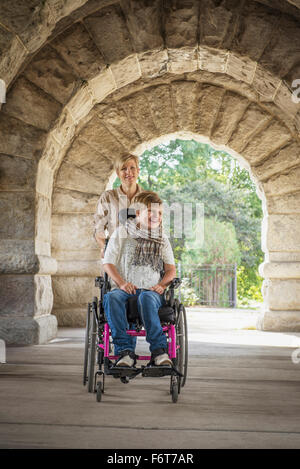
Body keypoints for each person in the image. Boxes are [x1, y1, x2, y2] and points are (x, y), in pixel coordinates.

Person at [102, 191, 176, 368]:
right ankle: (125, 352)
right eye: (151, 211)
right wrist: (121, 283)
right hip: (124, 289)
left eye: (159, 213)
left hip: (150, 291)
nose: (156, 216)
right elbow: (108, 263)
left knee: (145, 297)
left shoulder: (162, 239)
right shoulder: (122, 233)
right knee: (111, 297)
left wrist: (161, 285)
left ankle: (159, 352)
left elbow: (171, 270)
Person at [94, 153, 142, 257]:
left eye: (132, 167)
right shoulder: (108, 197)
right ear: (117, 173)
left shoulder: (148, 198)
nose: (128, 172)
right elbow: (98, 229)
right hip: (115, 256)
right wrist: (105, 249)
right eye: (123, 169)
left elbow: (157, 229)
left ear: (138, 170)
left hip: (141, 257)